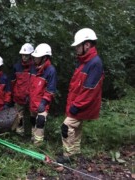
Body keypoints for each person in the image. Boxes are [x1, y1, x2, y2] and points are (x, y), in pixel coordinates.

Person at [56, 28, 104, 164]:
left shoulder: (95, 63)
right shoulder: (84, 62)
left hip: (82, 104)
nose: (76, 48)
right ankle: (75, 152)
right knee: (76, 127)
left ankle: (68, 155)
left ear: (87, 45)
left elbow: (90, 90)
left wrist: (77, 105)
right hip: (77, 102)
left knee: (66, 126)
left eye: (78, 45)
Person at [29, 43, 57, 146]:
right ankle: (33, 138)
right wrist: (28, 96)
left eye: (37, 57)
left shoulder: (51, 70)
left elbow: (50, 89)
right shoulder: (33, 68)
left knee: (40, 121)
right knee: (32, 120)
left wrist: (44, 102)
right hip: (33, 100)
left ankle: (38, 145)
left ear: (44, 58)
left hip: (42, 103)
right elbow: (31, 84)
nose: (34, 58)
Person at [11, 43, 34, 136]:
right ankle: (19, 134)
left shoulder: (35, 68)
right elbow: (13, 83)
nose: (24, 57)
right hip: (19, 96)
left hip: (32, 97)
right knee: (19, 117)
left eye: (26, 55)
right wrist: (14, 94)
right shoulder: (16, 67)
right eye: (23, 55)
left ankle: (34, 135)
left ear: (31, 55)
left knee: (33, 116)